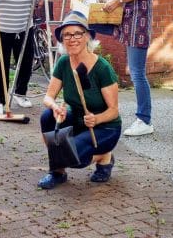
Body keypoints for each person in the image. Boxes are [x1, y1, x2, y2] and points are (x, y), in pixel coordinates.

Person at [37, 11, 121, 189]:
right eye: (67, 34)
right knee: (47, 117)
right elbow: (48, 97)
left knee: (76, 159)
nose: (72, 38)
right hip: (77, 120)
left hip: (104, 126)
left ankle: (105, 157)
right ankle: (57, 172)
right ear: (62, 39)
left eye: (77, 33)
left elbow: (114, 111)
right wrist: (54, 107)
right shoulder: (63, 63)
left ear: (87, 36)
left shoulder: (103, 68)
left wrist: (96, 119)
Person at [84, 0, 155, 136]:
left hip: (137, 22)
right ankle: (87, 60)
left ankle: (144, 120)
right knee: (84, 22)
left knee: (136, 73)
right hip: (118, 18)